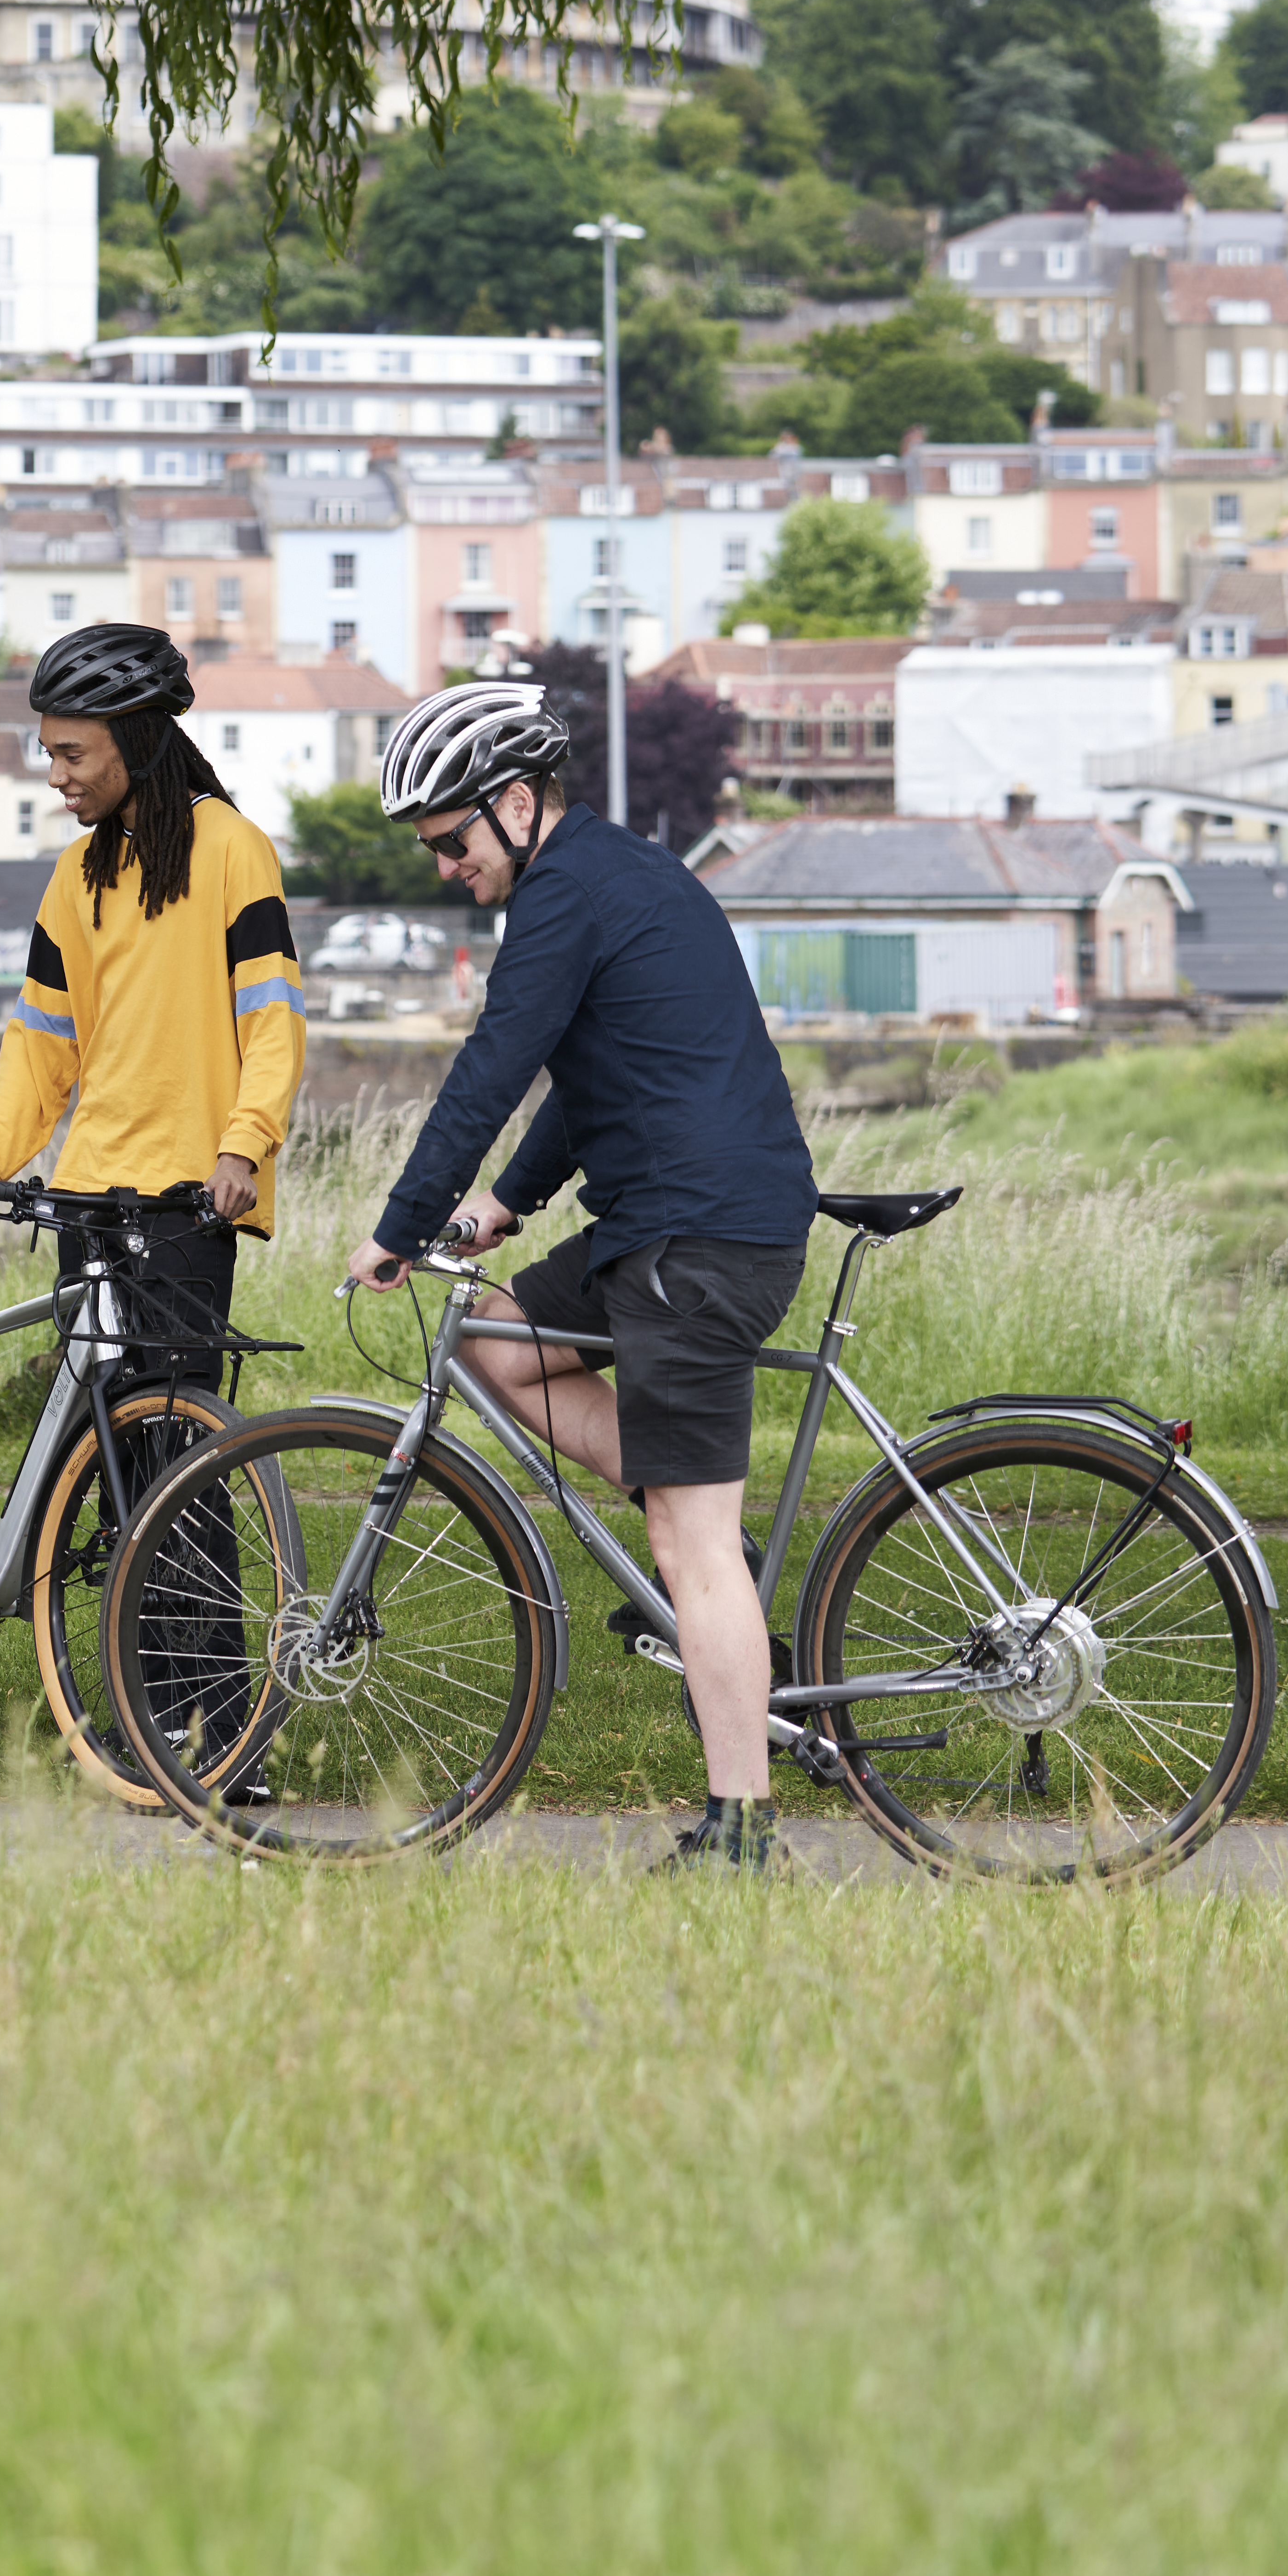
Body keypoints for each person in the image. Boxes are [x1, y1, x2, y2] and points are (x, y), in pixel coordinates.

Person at [343, 669, 823, 1874]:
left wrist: (401, 1226)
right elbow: (580, 1068)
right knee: (502, 1335)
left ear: (513, 803)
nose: (443, 868)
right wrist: (505, 1203)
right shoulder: (618, 872)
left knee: (689, 1541)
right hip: (664, 1229)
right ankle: (723, 1583)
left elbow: (496, 1065)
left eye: (452, 841)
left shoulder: (564, 897)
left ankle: (743, 1831)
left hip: (695, 1244)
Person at [0, 624, 309, 1770]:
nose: (57, 771)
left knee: (185, 1463)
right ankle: (149, 1717)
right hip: (89, 1204)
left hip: (187, 1203)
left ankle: (221, 1732)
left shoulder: (234, 852)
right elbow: (39, 1048)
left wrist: (245, 1142)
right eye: (49, 750)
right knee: (114, 1480)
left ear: (134, 741)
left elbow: (273, 1021)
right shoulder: (78, 875)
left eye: (73, 751)